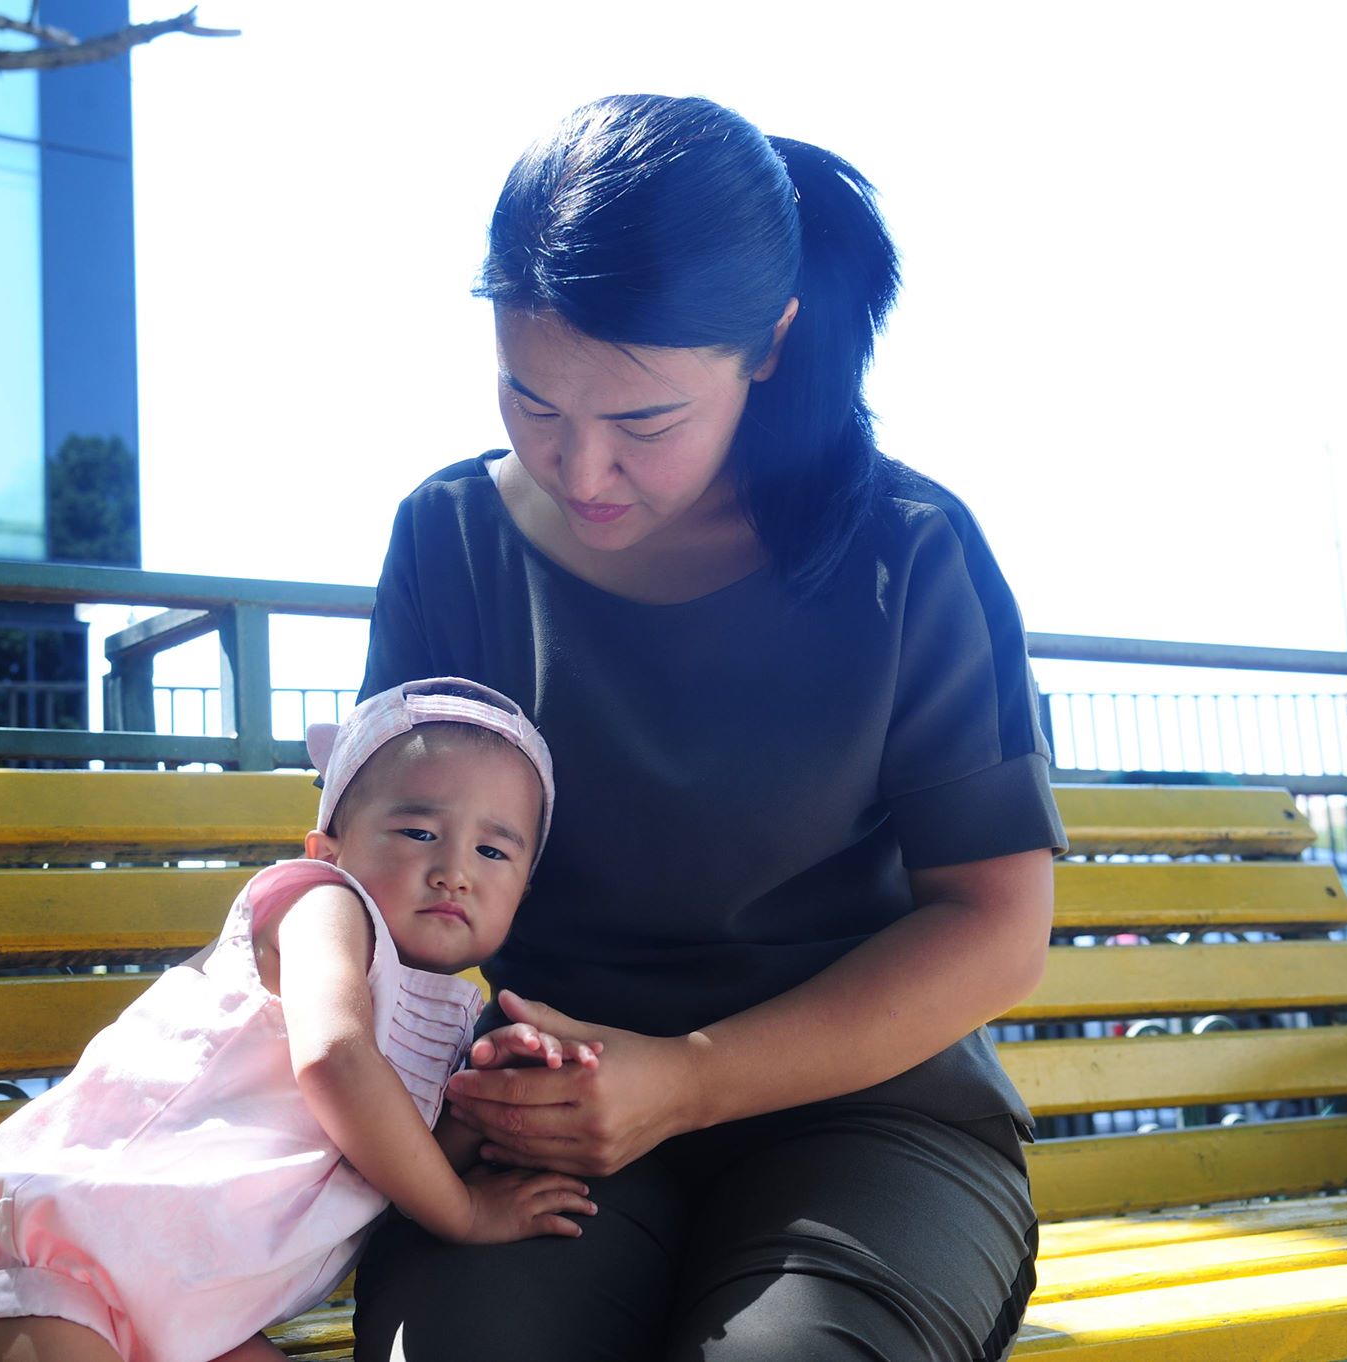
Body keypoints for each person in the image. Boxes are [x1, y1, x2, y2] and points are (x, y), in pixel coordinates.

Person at [349, 94, 1068, 1362]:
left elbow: (995, 928)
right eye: (530, 401)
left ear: (768, 345)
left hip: (871, 1118)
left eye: (643, 423)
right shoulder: (448, 541)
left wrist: (686, 1078)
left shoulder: (906, 552)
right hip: (540, 1122)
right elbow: (368, 881)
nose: (580, 472)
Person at [0, 678, 597, 1362]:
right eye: (419, 832)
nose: (453, 871)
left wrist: (481, 1099)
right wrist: (466, 1212)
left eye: (492, 851)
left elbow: (397, 1167)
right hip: (66, 1256)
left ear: (524, 893)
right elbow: (335, 1060)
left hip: (188, 1316)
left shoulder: (443, 1021)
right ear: (329, 852)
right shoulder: (326, 906)